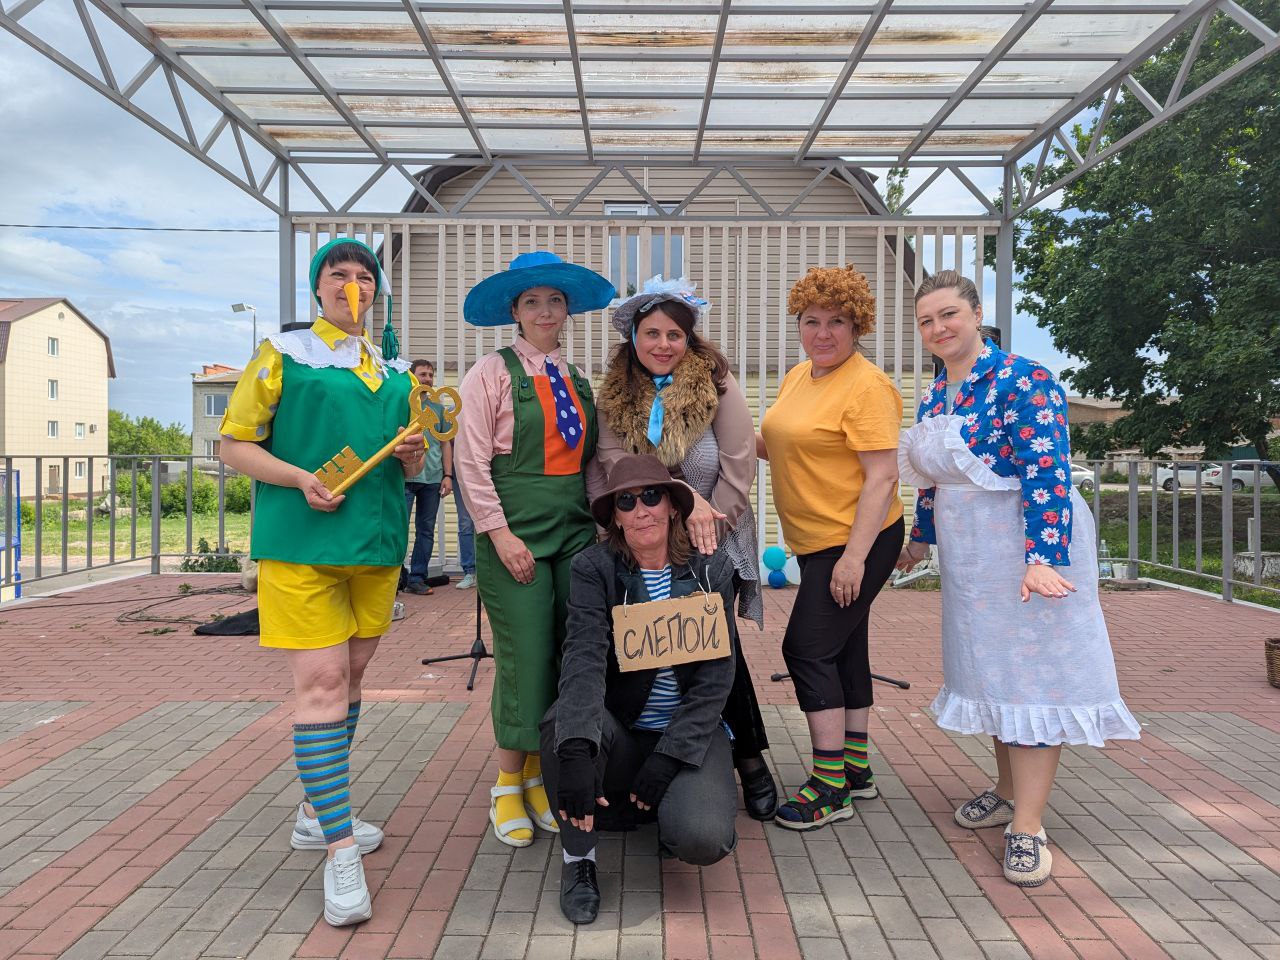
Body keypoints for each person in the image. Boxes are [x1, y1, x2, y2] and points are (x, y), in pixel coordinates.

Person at [897, 270, 1140, 887]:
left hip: (1023, 549)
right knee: (991, 672)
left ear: (976, 314)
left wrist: (1043, 557)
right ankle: (1007, 791)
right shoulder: (936, 394)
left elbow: (1047, 471)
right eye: (926, 321)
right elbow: (933, 480)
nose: (938, 328)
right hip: (971, 559)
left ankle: (1028, 827)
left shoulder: (1024, 379)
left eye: (948, 314)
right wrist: (920, 538)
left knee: (1032, 678)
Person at [219, 237, 424, 926]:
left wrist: (413, 454)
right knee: (324, 685)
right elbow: (233, 444)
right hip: (301, 545)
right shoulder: (283, 354)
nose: (353, 284)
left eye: (365, 275)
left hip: (376, 545)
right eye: (339, 274)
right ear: (318, 287)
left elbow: (406, 462)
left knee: (352, 679)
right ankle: (340, 851)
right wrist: (300, 477)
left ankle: (316, 811)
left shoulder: (394, 370)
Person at [594, 275, 776, 820]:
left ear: (689, 338)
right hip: (643, 535)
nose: (663, 344)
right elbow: (612, 463)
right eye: (652, 333)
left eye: (675, 334)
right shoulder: (614, 393)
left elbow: (739, 466)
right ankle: (659, 744)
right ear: (634, 337)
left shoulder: (717, 382)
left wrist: (706, 529)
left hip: (715, 533)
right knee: (659, 644)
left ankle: (749, 760)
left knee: (715, 649)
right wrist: (671, 503)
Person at [455, 250, 616, 848]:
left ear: (567, 309)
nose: (544, 310)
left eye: (554, 300)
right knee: (524, 654)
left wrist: (603, 525)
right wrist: (499, 534)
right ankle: (506, 783)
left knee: (568, 653)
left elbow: (591, 465)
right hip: (514, 530)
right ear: (515, 312)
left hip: (575, 530)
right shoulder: (489, 373)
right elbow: (470, 463)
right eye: (532, 302)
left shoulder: (579, 379)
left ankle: (541, 774)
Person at [542, 454, 739, 924]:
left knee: (703, 838)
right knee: (562, 727)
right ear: (615, 517)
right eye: (626, 503)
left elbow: (716, 678)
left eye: (651, 496)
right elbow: (584, 656)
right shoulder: (594, 568)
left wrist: (671, 756)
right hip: (623, 729)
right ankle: (579, 861)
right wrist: (577, 750)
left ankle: (662, 810)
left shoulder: (711, 569)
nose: (641, 510)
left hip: (689, 731)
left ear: (672, 506)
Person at [758, 263, 904, 831]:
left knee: (807, 650)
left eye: (837, 322)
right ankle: (856, 768)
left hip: (855, 539)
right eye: (811, 320)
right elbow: (784, 445)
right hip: (818, 538)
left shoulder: (867, 386)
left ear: (857, 326)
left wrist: (853, 559)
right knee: (844, 649)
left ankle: (829, 786)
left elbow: (883, 476)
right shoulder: (801, 376)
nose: (823, 333)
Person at [403, 359, 453, 595]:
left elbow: (445, 444)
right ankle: (396, 577)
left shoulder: (438, 409)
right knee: (399, 528)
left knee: (426, 530)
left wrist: (448, 475)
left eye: (431, 375)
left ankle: (417, 578)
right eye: (423, 374)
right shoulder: (404, 405)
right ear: (413, 377)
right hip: (404, 476)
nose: (428, 379)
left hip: (432, 478)